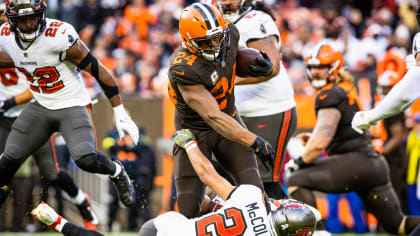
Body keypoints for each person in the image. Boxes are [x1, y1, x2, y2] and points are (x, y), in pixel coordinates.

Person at [30, 129, 319, 236]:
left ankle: (57, 222)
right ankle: (57, 222)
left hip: (169, 225)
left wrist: (191, 145)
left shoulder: (251, 197)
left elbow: (208, 177)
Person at [0, 0, 139, 209]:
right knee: (7, 162)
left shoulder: (59, 36)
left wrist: (119, 111)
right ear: (11, 20)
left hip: (72, 103)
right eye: (22, 19)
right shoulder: (5, 36)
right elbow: (17, 58)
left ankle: (117, 171)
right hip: (41, 104)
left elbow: (98, 71)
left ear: (43, 14)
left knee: (86, 159)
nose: (28, 24)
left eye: (33, 17)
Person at [285, 41, 420, 235]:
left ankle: (319, 233)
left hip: (357, 162)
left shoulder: (330, 93)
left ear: (334, 67)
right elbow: (335, 132)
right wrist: (315, 138)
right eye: (312, 67)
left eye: (321, 67)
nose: (315, 72)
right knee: (397, 225)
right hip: (372, 164)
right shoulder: (345, 88)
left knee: (295, 179)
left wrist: (298, 161)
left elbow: (321, 140)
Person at [167, 2, 275, 218]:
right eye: (206, 42)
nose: (215, 45)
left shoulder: (229, 32)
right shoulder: (183, 68)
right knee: (189, 211)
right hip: (196, 132)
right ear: (188, 40)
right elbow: (212, 116)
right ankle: (215, 207)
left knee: (258, 200)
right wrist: (254, 141)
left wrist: (256, 64)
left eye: (218, 38)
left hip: (230, 119)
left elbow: (230, 63)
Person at [214, 0, 297, 199]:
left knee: (264, 182)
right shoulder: (207, 19)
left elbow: (271, 67)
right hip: (233, 115)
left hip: (268, 111)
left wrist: (221, 81)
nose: (227, 1)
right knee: (227, 177)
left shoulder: (257, 20)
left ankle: (294, 227)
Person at [103, 126, 156, 231]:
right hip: (117, 173)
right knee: (114, 200)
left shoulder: (136, 131)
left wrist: (131, 146)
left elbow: (144, 147)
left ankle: (132, 227)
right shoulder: (112, 133)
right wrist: (122, 145)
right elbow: (107, 145)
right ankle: (109, 225)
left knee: (134, 201)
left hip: (134, 173)